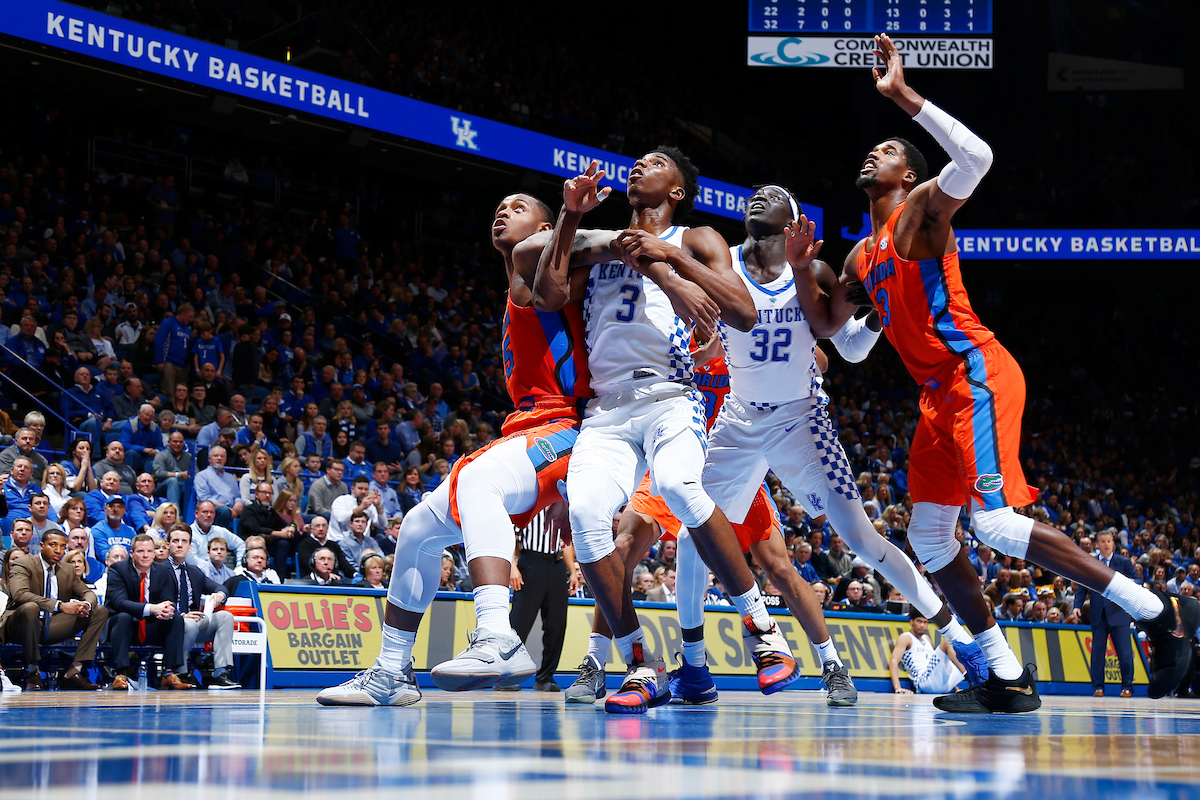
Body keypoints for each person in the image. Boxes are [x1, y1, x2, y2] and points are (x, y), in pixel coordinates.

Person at [793, 33, 1197, 709]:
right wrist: (806, 267)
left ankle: (1158, 613)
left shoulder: (922, 213)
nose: (876, 151)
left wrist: (902, 97)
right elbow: (836, 334)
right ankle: (1006, 675)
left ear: (907, 175)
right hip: (934, 397)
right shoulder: (862, 257)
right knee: (927, 536)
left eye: (889, 150)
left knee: (996, 526)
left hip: (976, 371)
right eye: (877, 145)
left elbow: (978, 157)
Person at [523, 152, 804, 713]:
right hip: (606, 408)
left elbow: (743, 311)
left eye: (653, 164)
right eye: (636, 160)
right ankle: (638, 664)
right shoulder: (601, 240)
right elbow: (548, 294)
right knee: (585, 514)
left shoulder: (694, 235)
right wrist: (572, 215)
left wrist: (670, 258)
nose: (636, 166)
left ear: (677, 190)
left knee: (679, 487)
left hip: (673, 394)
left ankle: (763, 629)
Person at [317, 191, 586, 707]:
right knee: (418, 525)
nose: (501, 211)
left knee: (481, 481)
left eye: (518, 206)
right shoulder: (515, 280)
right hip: (526, 426)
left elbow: (581, 252)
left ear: (545, 226)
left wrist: (572, 219)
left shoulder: (544, 267)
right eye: (498, 206)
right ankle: (390, 673)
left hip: (566, 425)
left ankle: (497, 635)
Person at [0, 530, 109, 689]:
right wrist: (59, 605)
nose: (58, 550)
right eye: (53, 545)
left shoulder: (67, 569)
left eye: (63, 547)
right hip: (20, 626)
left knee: (99, 611)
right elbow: (19, 594)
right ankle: (33, 673)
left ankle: (73, 672)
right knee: (31, 608)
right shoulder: (23, 563)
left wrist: (85, 605)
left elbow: (88, 593)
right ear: (42, 546)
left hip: (52, 625)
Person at [104, 534, 193, 690]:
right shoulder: (118, 569)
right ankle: (120, 674)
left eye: (149, 551)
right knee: (123, 617)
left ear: (154, 553)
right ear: (131, 554)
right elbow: (119, 602)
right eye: (140, 551)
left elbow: (168, 600)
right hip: (125, 628)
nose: (145, 555)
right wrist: (152, 608)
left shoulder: (164, 570)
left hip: (151, 627)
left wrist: (166, 611)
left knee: (176, 618)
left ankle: (169, 674)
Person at [507, 504, 575, 693]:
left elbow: (566, 543)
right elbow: (512, 537)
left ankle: (545, 677)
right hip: (531, 562)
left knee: (557, 623)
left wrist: (573, 571)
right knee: (519, 621)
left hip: (557, 564)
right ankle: (507, 675)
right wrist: (513, 566)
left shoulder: (562, 507)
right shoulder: (528, 505)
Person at [165, 527, 240, 689]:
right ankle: (181, 672)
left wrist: (220, 594)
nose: (180, 545)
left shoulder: (194, 571)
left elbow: (220, 587)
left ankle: (220, 672)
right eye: (175, 541)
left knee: (225, 617)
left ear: (190, 547)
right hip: (170, 623)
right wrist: (181, 615)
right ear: (168, 544)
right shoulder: (159, 569)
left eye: (184, 541)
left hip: (195, 622)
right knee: (189, 623)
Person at [1073, 530, 1139, 697]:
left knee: (1124, 653)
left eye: (1109, 541)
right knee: (1097, 654)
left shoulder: (1123, 562)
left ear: (1113, 543)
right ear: (1097, 544)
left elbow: (1138, 581)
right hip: (1098, 613)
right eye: (1103, 541)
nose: (1106, 544)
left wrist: (1124, 583)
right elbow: (1081, 586)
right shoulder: (1091, 562)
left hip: (1119, 613)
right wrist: (1077, 606)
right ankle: (1098, 687)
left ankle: (1127, 687)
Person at [889, 609, 969, 695]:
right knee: (947, 642)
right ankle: (968, 677)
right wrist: (898, 688)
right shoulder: (906, 637)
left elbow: (940, 666)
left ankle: (978, 681)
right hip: (923, 681)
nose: (922, 625)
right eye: (919, 621)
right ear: (912, 622)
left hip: (941, 684)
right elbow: (894, 661)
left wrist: (956, 688)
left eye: (925, 622)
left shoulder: (926, 639)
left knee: (957, 651)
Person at [241, 481, 300, 574]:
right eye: (264, 492)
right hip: (253, 544)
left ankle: (282, 577)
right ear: (256, 494)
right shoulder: (249, 510)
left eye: (270, 493)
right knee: (282, 541)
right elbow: (255, 529)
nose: (267, 496)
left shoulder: (271, 512)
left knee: (292, 538)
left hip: (269, 544)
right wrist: (280, 534)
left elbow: (285, 524)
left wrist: (291, 527)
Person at [194, 445, 243, 528]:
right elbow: (204, 498)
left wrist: (238, 502)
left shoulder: (231, 477)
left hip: (231, 509)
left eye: (222, 456)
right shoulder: (202, 475)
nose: (219, 458)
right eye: (215, 456)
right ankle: (218, 537)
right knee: (224, 511)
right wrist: (225, 507)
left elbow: (237, 496)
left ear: (225, 459)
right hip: (213, 509)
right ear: (209, 459)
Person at [328, 475, 381, 541]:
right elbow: (341, 519)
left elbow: (381, 525)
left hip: (363, 542)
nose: (363, 492)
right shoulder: (341, 500)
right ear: (352, 489)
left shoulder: (370, 506)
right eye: (360, 488)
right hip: (338, 540)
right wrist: (361, 507)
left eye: (366, 489)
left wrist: (379, 506)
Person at [152, 431, 193, 509]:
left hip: (184, 485)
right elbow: (159, 473)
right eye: (175, 441)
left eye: (180, 442)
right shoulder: (161, 455)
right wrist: (179, 474)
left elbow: (196, 472)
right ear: (169, 442)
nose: (178, 444)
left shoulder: (189, 456)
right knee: (173, 481)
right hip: (162, 485)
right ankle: (175, 513)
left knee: (192, 484)